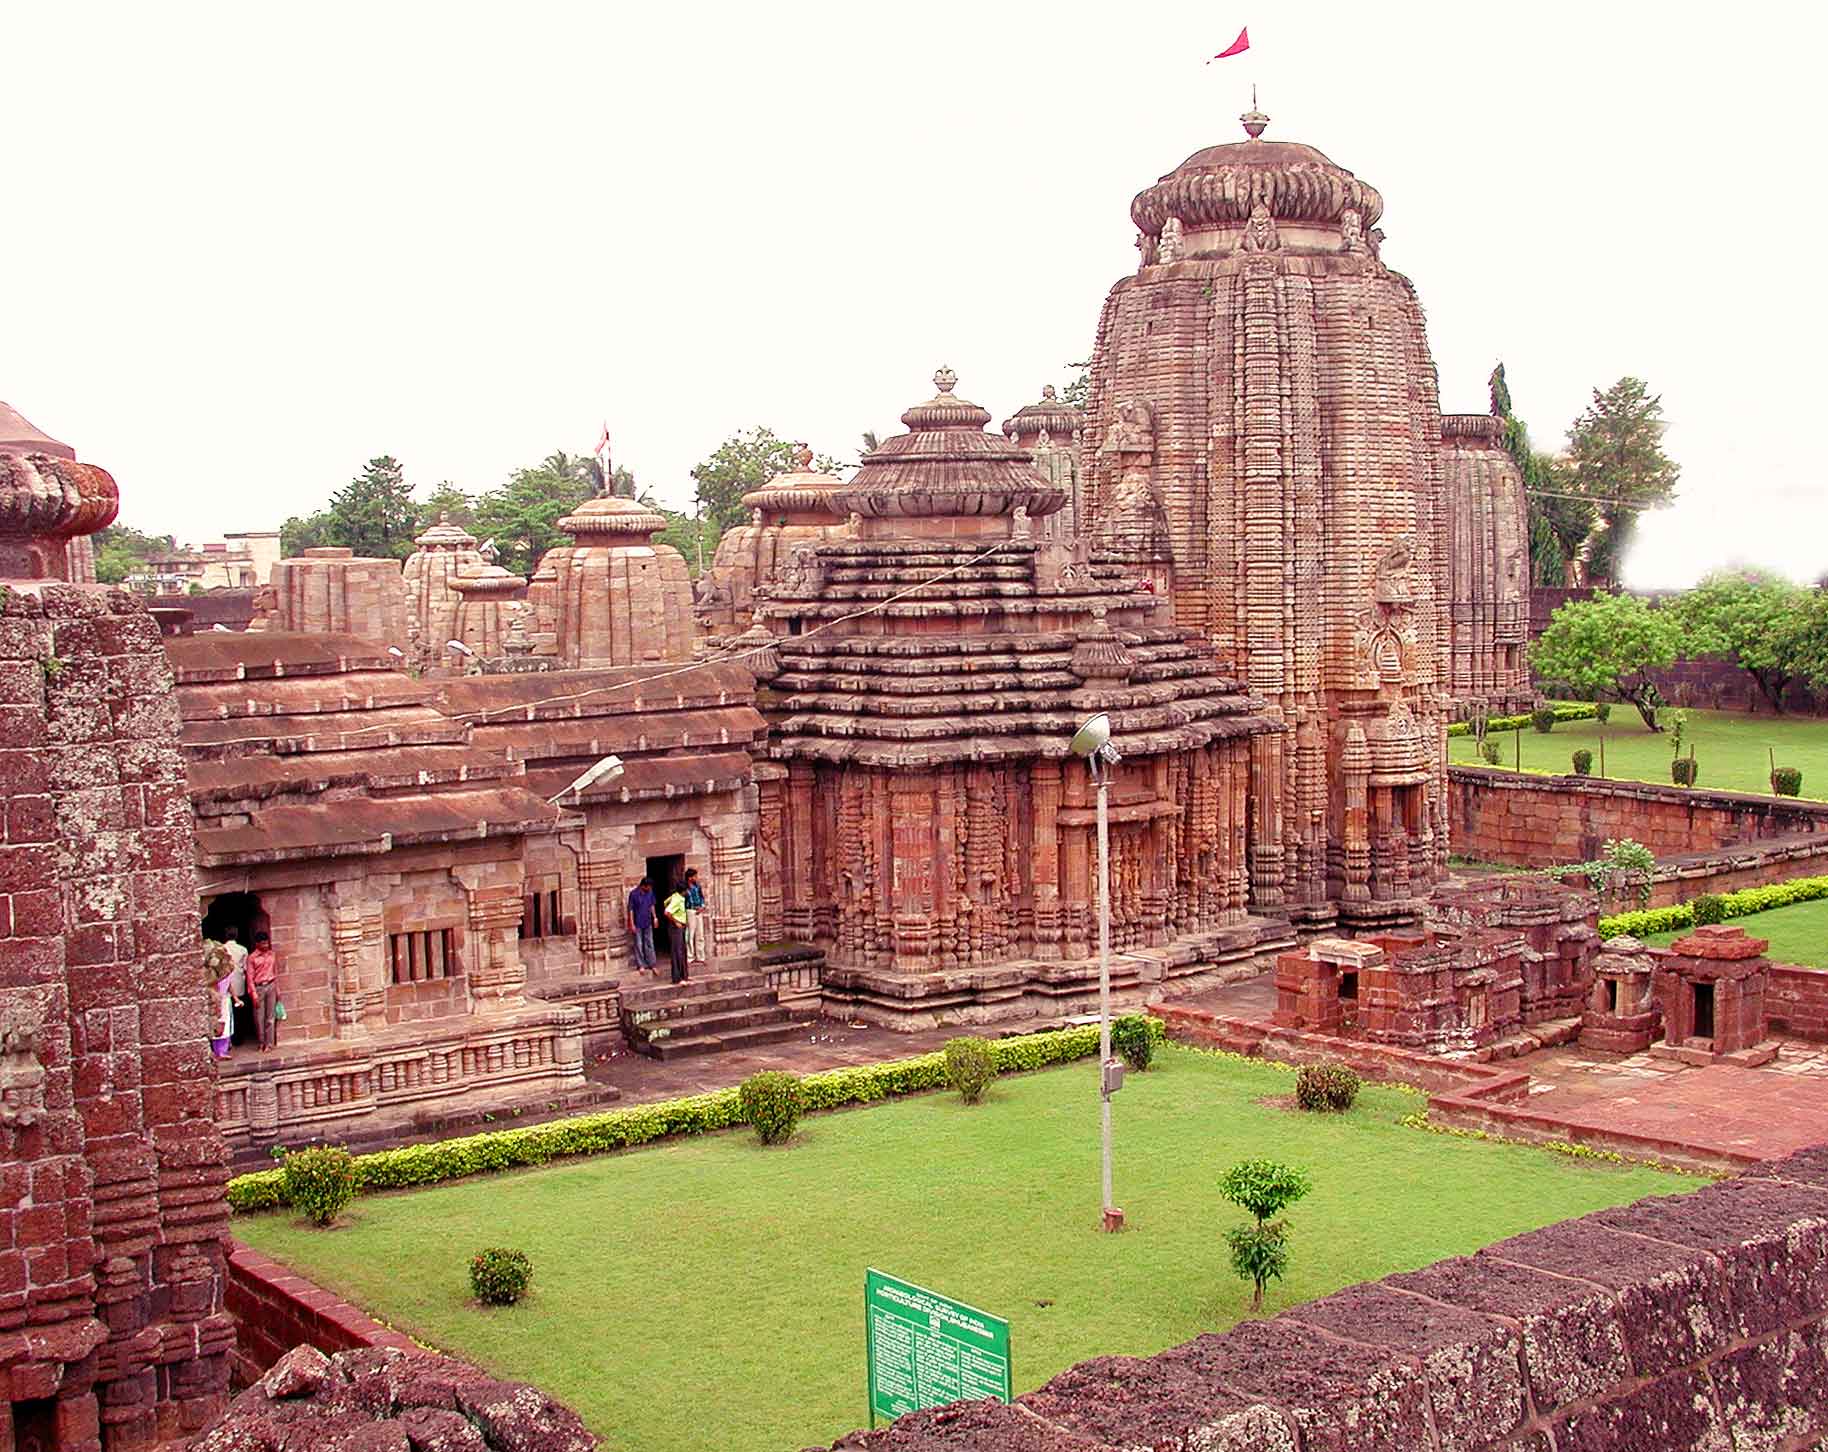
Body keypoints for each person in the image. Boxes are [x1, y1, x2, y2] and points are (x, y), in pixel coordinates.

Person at [247, 932, 279, 1051]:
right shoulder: (252, 958)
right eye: (263, 943)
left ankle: (269, 1044)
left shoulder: (272, 954)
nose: (266, 945)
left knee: (270, 1017)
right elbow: (250, 977)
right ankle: (261, 1042)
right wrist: (253, 993)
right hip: (259, 987)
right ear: (257, 944)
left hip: (271, 985)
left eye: (267, 943)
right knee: (259, 1017)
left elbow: (275, 973)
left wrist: (278, 990)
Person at [222, 931, 252, 1045]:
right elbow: (245, 967)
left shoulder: (222, 948)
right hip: (238, 982)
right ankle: (239, 1038)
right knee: (239, 1013)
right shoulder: (242, 949)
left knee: (225, 1013)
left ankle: (227, 1040)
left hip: (225, 985)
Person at [627, 877, 658, 975]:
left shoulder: (650, 893)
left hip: (647, 921)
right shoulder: (634, 894)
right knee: (639, 944)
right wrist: (631, 923)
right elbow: (631, 910)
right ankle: (641, 965)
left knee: (649, 943)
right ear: (643, 886)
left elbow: (652, 905)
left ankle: (652, 964)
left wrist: (655, 917)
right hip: (638, 923)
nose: (650, 888)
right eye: (648, 886)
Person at [663, 880, 689, 984]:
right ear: (683, 891)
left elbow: (665, 903)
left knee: (682, 950)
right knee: (677, 952)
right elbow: (667, 912)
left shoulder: (675, 897)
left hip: (681, 926)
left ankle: (684, 975)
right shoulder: (677, 899)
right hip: (676, 927)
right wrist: (676, 921)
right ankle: (678, 977)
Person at [684, 867, 708, 965]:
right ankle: (690, 956)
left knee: (700, 934)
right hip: (690, 910)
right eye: (694, 876)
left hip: (698, 910)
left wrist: (702, 907)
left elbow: (702, 897)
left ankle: (700, 956)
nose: (696, 878)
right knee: (690, 934)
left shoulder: (697, 886)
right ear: (690, 878)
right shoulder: (685, 888)